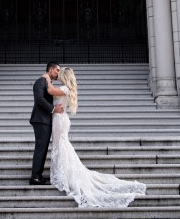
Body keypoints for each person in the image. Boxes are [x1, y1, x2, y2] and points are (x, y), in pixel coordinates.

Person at [46, 67, 146, 208]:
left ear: (65, 76)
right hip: (59, 119)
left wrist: (46, 78)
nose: (58, 74)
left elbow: (50, 91)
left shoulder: (64, 88)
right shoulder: (66, 88)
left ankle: (64, 175)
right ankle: (62, 173)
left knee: (61, 145)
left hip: (60, 120)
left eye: (60, 73)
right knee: (60, 145)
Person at [29, 61, 63, 185]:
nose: (58, 73)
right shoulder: (40, 81)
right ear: (50, 70)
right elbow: (39, 99)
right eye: (57, 70)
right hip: (40, 119)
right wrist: (53, 109)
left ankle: (38, 175)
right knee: (40, 147)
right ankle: (35, 177)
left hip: (45, 120)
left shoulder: (47, 83)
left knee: (42, 148)